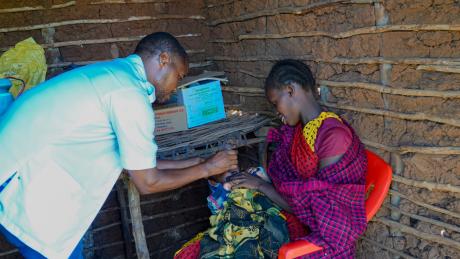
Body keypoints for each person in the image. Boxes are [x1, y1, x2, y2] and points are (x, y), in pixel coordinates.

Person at [0, 32, 237, 258]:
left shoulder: (115, 77)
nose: (177, 86)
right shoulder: (129, 94)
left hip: (15, 176)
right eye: (180, 76)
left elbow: (138, 165)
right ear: (164, 60)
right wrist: (207, 169)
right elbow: (147, 181)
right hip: (22, 190)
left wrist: (200, 162)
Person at [227, 59, 368, 258]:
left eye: (276, 103)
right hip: (301, 219)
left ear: (290, 90)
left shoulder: (333, 136)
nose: (277, 112)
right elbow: (298, 188)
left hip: (328, 237)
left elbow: (321, 210)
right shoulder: (300, 132)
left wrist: (261, 186)